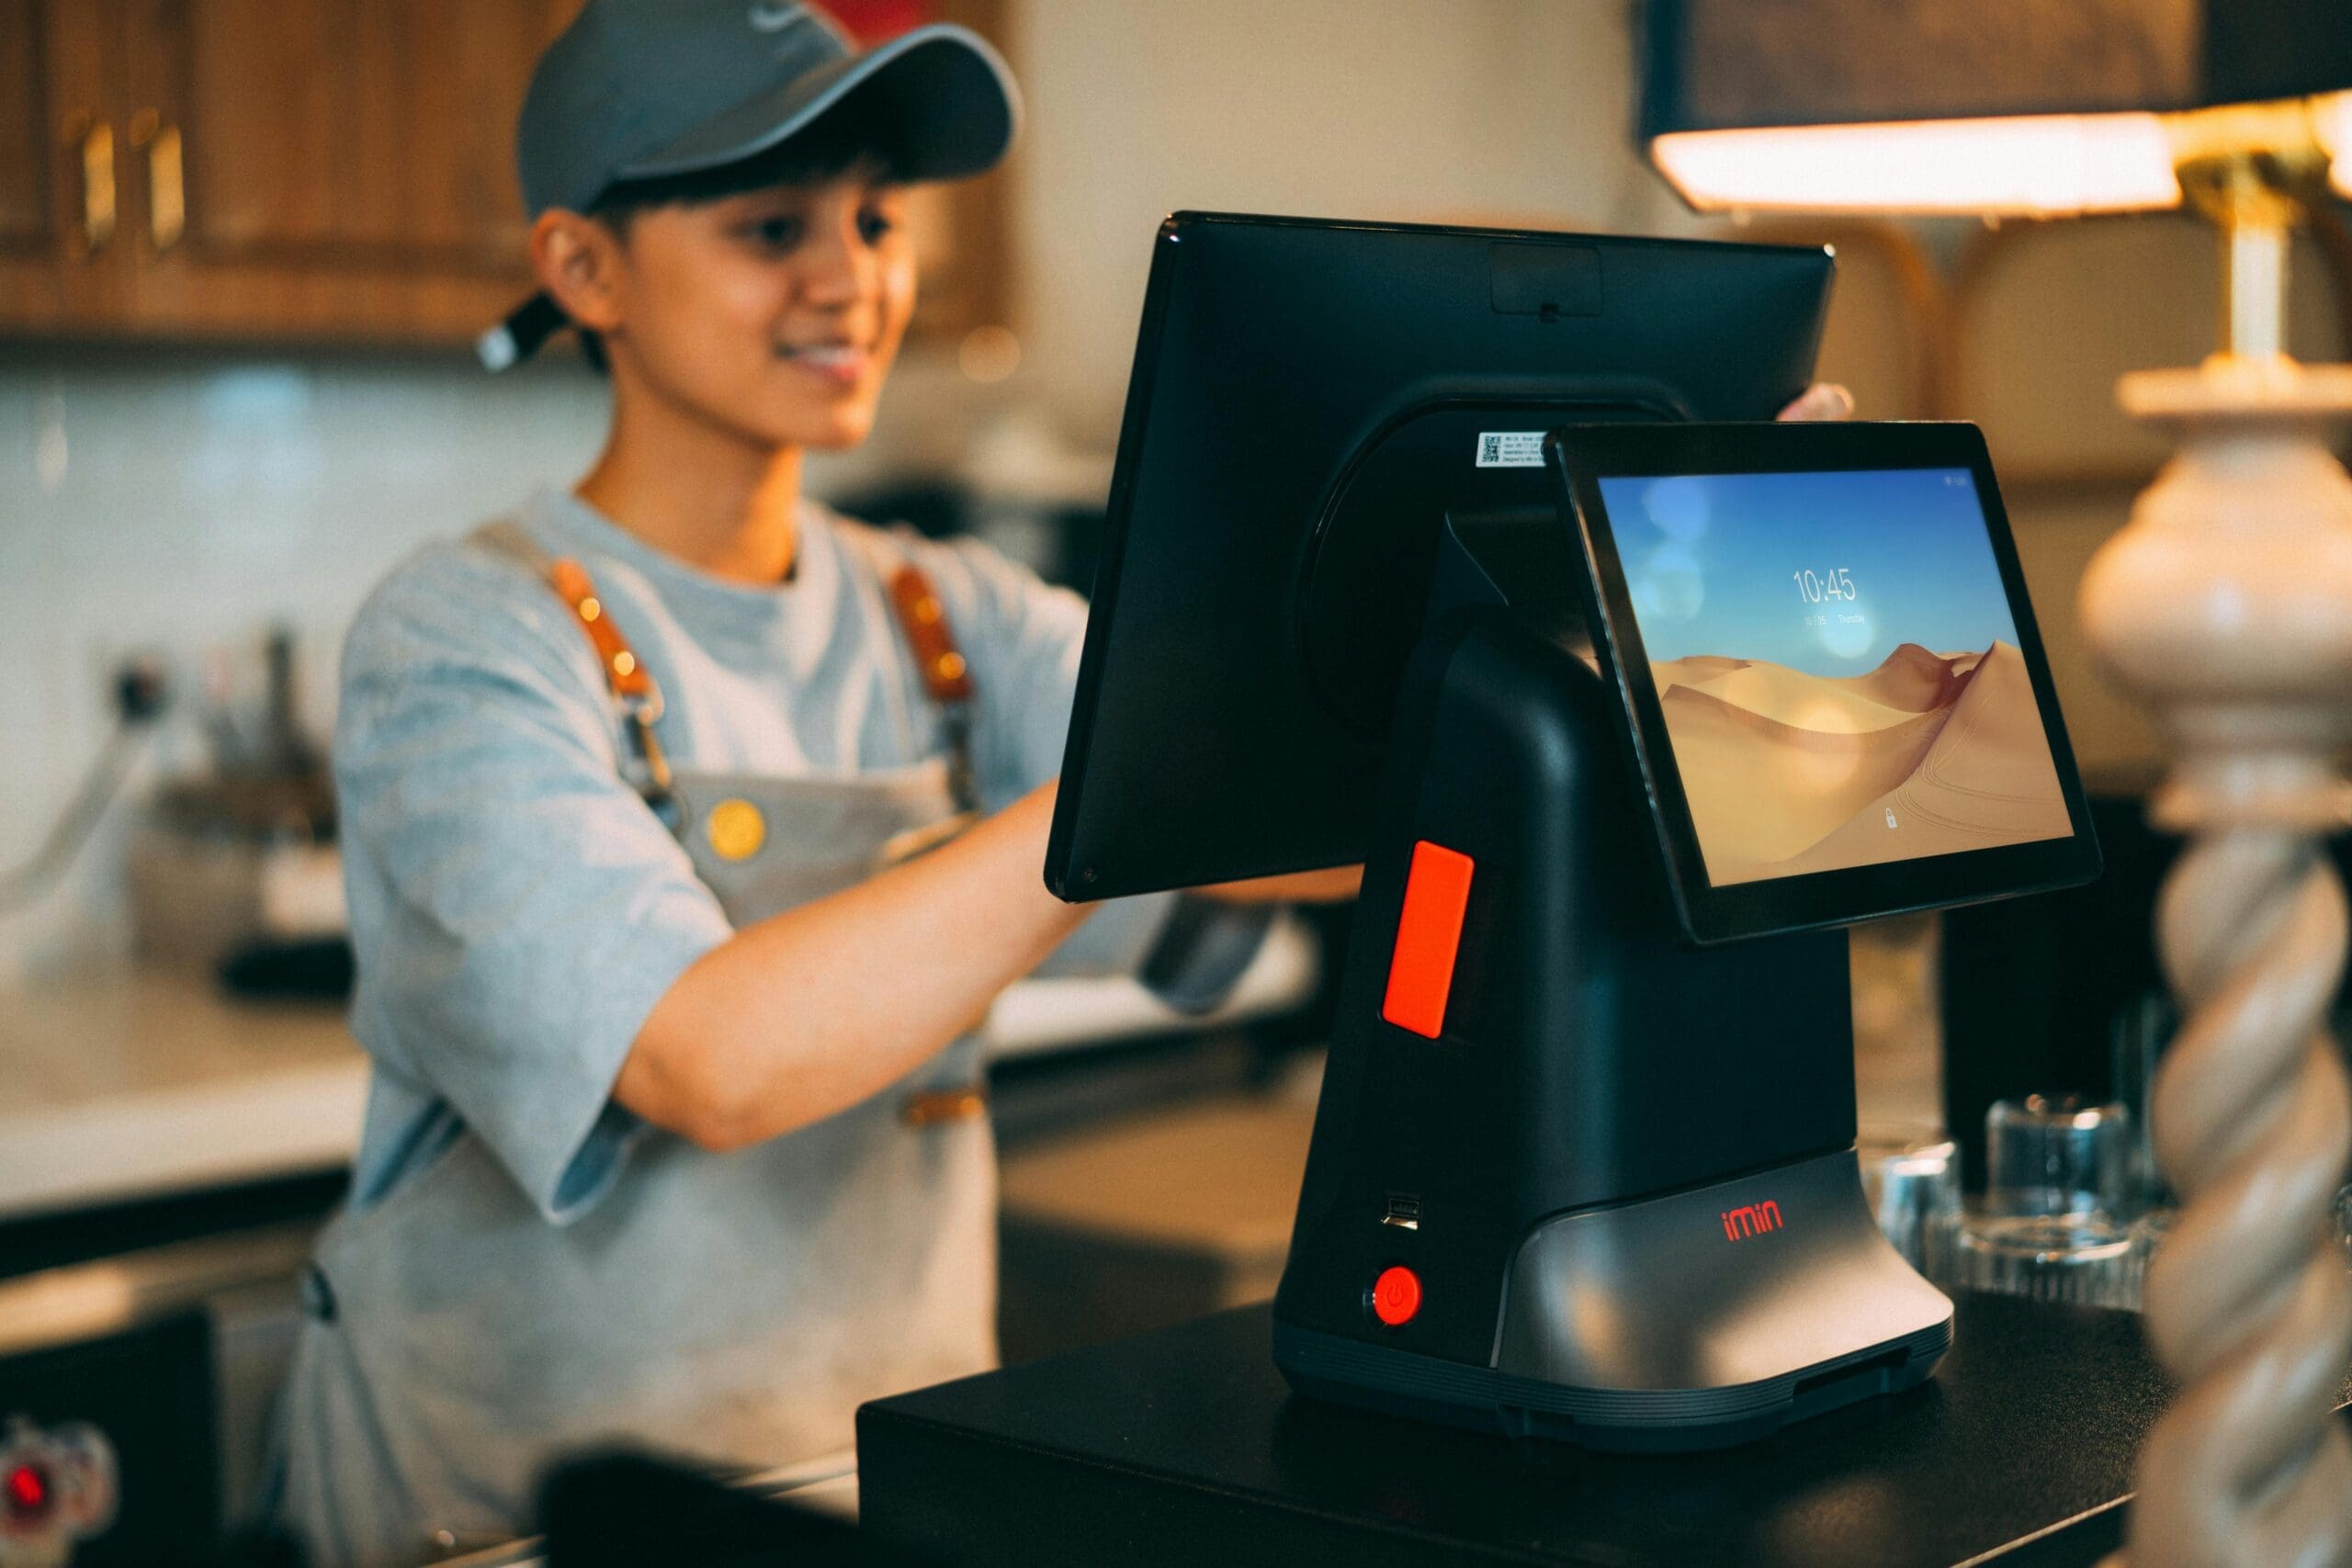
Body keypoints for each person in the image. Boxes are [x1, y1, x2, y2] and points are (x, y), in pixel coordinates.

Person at [269, 4, 1849, 1559]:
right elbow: (704, 1061)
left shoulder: (946, 615)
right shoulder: (461, 636)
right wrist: (1101, 804)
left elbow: (1288, 821)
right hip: (504, 1529)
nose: (852, 279)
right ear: (582, 268)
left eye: (878, 219)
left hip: (868, 1489)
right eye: (769, 227)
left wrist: (1658, 618)